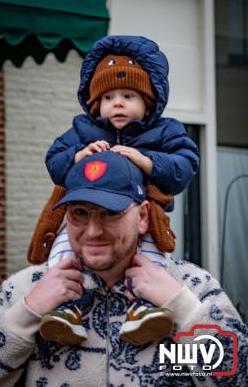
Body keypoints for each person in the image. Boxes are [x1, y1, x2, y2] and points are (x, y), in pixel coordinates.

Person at [0, 151, 247, 387]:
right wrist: (25, 316)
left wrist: (184, 310)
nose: (93, 231)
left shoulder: (193, 287)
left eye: (110, 213)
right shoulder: (23, 290)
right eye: (79, 213)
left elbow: (237, 377)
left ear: (142, 217)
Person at [38, 35, 199, 345]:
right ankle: (65, 306)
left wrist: (147, 161)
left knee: (152, 260)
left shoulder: (165, 131)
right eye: (109, 97)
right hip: (88, 204)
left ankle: (145, 307)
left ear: (148, 102)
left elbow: (186, 164)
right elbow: (53, 161)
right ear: (97, 104)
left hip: (145, 213)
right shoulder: (82, 130)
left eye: (128, 95)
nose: (118, 103)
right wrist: (77, 157)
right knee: (61, 252)